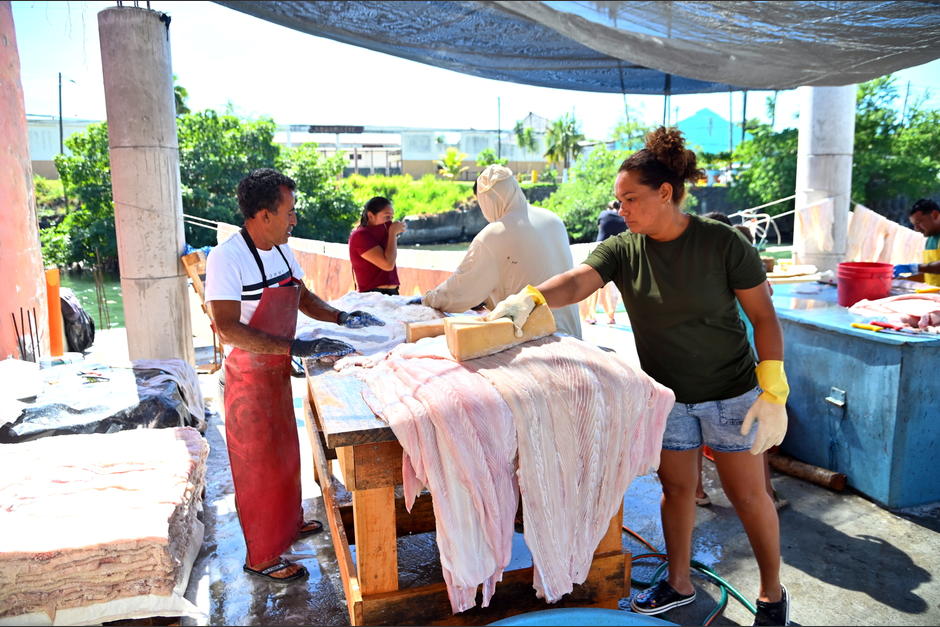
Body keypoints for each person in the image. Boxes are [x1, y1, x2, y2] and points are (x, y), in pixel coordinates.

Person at [488, 128, 790, 625]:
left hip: (733, 396)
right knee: (676, 490)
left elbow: (763, 316)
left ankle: (772, 594)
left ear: (666, 193)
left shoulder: (721, 243)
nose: (622, 209)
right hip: (668, 396)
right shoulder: (625, 249)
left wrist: (773, 387)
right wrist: (533, 296)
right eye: (618, 200)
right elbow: (579, 280)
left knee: (749, 494)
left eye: (631, 199)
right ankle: (678, 583)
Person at [205, 168, 384, 583]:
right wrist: (295, 348)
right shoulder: (226, 257)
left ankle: (288, 525)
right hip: (247, 378)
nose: (294, 220)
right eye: (289, 212)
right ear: (263, 214)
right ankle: (262, 557)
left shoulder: (282, 251)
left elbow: (302, 297)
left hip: (276, 373)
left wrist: (342, 316)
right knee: (258, 469)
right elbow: (227, 326)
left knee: (286, 458)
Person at [415, 164, 581, 339]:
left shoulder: (493, 234)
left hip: (537, 343)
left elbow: (458, 293)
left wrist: (428, 299)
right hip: (573, 338)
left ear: (486, 200)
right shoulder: (553, 219)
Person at [349, 196, 407, 295]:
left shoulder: (384, 230)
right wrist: (393, 233)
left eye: (391, 217)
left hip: (393, 292)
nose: (390, 221)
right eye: (386, 217)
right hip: (372, 295)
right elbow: (387, 265)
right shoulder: (360, 235)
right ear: (371, 216)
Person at [581, 202, 627, 325]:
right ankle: (611, 317)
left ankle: (590, 316)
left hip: (600, 249)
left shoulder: (603, 214)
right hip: (617, 252)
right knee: (611, 288)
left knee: (592, 285)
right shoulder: (624, 218)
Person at [894, 198, 940, 286]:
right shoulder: (930, 240)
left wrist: (914, 267)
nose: (916, 229)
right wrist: (901, 280)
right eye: (914, 225)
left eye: (919, 222)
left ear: (935, 215)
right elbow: (929, 273)